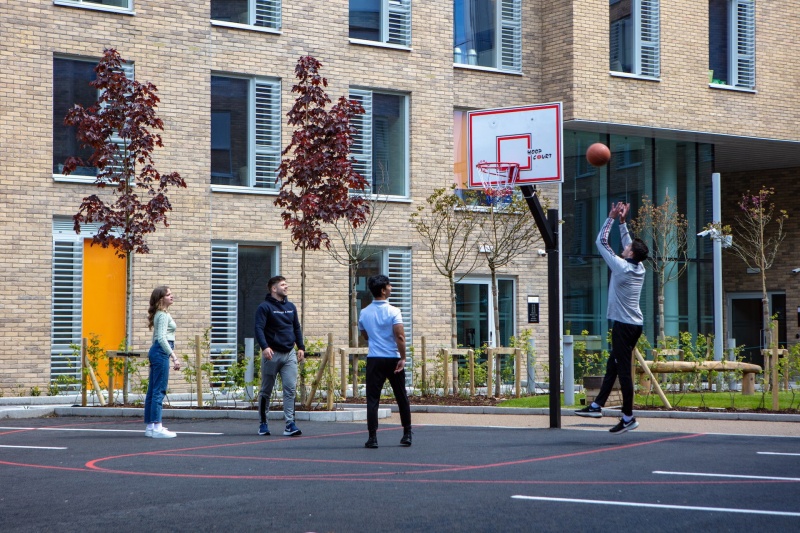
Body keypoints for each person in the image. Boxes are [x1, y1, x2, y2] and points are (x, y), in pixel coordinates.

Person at [575, 202, 648, 434]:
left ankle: (628, 417)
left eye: (627, 248)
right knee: (612, 366)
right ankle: (597, 406)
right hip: (632, 325)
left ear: (631, 254)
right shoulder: (639, 267)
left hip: (625, 327)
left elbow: (601, 243)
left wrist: (610, 218)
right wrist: (623, 223)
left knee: (624, 372)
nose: (624, 248)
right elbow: (629, 244)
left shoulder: (622, 267)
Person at [358, 275, 412, 448]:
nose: (391, 287)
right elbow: (400, 336)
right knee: (401, 396)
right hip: (393, 358)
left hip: (374, 359)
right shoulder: (393, 311)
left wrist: (376, 338)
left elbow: (365, 334)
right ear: (383, 290)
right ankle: (407, 434)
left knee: (373, 399)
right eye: (389, 285)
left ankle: (372, 437)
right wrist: (403, 358)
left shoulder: (364, 312)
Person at [254, 275, 305, 437]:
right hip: (272, 354)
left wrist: (301, 347)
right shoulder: (264, 307)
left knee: (290, 389)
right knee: (266, 390)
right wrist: (265, 347)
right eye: (283, 285)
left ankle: (290, 424)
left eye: (286, 284)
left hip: (289, 353)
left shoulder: (291, 307)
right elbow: (259, 328)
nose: (286, 287)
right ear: (273, 288)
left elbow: (296, 327)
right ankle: (263, 423)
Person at [144, 285, 181, 438]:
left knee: (153, 390)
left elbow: (156, 338)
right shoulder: (163, 315)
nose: (172, 296)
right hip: (161, 351)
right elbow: (161, 338)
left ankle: (151, 426)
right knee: (159, 390)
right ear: (161, 299)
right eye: (168, 295)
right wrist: (174, 356)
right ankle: (157, 427)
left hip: (156, 351)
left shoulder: (160, 314)